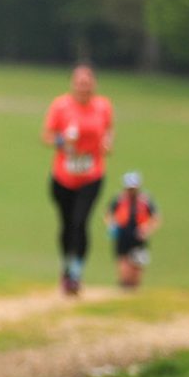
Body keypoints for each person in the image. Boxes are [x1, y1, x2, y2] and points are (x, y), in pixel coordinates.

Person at [42, 65, 113, 295]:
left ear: (94, 84)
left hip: (91, 174)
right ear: (72, 84)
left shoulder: (103, 106)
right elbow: (47, 135)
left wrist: (107, 143)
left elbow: (108, 130)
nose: (84, 87)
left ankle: (75, 273)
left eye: (88, 82)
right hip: (63, 175)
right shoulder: (60, 106)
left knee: (80, 222)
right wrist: (63, 142)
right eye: (80, 82)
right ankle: (66, 265)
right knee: (66, 224)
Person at [106, 171, 159, 289]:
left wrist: (147, 229)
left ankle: (134, 287)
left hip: (139, 235)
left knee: (138, 265)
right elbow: (109, 214)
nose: (131, 191)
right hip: (123, 233)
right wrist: (112, 226)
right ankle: (124, 284)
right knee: (123, 261)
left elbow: (155, 218)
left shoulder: (145, 200)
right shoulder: (119, 199)